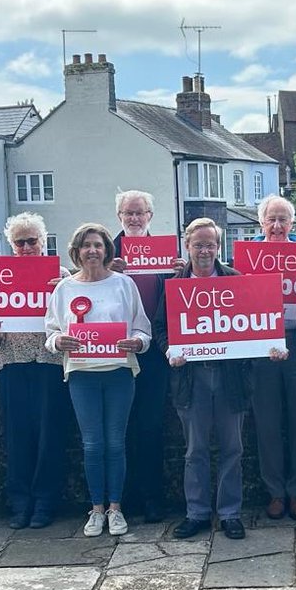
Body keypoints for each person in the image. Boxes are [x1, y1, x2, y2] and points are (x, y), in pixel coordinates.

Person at [46, 222, 151, 538]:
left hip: (119, 373)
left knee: (115, 442)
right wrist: (58, 342)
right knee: (92, 444)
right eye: (86, 245)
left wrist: (138, 342)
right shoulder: (64, 289)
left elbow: (142, 329)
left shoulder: (123, 284)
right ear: (76, 252)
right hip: (82, 374)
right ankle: (95, 509)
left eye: (98, 245)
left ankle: (116, 509)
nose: (92, 251)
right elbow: (50, 332)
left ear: (107, 250)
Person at [153, 218, 255, 540]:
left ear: (218, 246)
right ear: (187, 246)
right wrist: (170, 350)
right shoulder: (174, 284)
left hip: (229, 379)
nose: (205, 250)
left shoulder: (236, 280)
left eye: (210, 244)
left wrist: (269, 347)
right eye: (198, 245)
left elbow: (253, 323)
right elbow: (160, 329)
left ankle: (229, 513)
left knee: (232, 448)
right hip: (191, 378)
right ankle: (196, 513)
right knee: (194, 450)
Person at [0, 212, 72, 529]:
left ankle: (46, 502)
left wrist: (62, 291)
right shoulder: (0, 275)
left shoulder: (62, 275)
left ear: (43, 242)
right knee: (18, 435)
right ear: (12, 246)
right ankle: (20, 502)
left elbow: (75, 320)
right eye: (19, 242)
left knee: (50, 435)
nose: (26, 247)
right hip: (13, 362)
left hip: (50, 364)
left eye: (31, 241)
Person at [110, 189, 181, 523]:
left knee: (151, 427)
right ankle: (121, 499)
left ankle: (152, 497)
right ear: (119, 217)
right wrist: (108, 270)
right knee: (118, 428)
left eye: (140, 213)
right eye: (128, 213)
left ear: (150, 216)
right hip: (115, 350)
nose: (135, 218)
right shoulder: (105, 252)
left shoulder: (168, 254)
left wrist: (183, 272)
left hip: (154, 351)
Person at [249, 194, 296, 521]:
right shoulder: (247, 258)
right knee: (267, 421)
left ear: (292, 223)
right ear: (261, 223)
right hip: (261, 346)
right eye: (271, 220)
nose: (277, 226)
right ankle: (275, 492)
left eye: (282, 220)